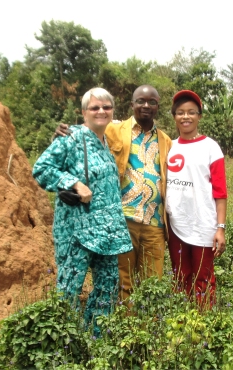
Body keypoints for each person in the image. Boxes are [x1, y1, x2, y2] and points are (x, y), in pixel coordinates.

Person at [55, 85, 172, 304]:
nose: (146, 106)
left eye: (152, 102)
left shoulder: (166, 141)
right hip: (122, 219)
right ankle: (123, 328)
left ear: (158, 107)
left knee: (152, 283)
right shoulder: (114, 129)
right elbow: (88, 133)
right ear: (132, 105)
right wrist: (64, 133)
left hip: (154, 222)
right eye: (140, 101)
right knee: (123, 280)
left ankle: (147, 330)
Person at [32, 87, 133, 335]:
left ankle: (96, 338)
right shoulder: (71, 138)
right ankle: (67, 344)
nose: (101, 111)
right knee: (69, 288)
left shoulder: (106, 142)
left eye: (106, 107)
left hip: (108, 233)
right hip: (77, 231)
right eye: (95, 107)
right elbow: (41, 168)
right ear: (83, 112)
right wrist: (73, 183)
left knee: (108, 286)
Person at [165, 90, 227, 308]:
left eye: (191, 112)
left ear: (199, 116)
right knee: (181, 276)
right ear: (174, 116)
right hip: (176, 225)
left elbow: (220, 192)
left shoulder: (211, 147)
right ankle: (181, 322)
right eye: (180, 112)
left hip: (203, 224)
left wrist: (220, 228)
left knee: (203, 278)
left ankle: (204, 324)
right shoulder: (168, 147)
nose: (186, 117)